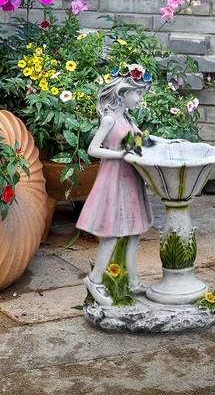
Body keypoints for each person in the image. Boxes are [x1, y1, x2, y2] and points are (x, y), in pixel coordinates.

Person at [76, 65, 155, 306]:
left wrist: (164, 142)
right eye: (138, 93)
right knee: (111, 233)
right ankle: (94, 280)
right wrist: (120, 155)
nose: (140, 99)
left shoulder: (127, 118)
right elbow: (93, 149)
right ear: (122, 93)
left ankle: (133, 281)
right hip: (114, 179)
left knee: (133, 230)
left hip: (130, 179)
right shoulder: (110, 119)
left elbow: (142, 141)